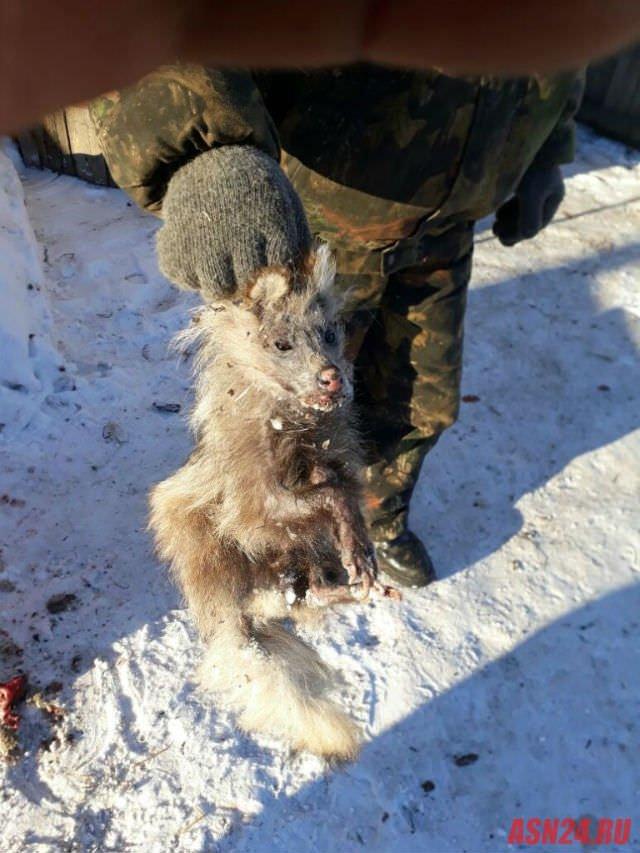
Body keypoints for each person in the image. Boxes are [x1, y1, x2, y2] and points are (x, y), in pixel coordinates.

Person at [89, 63, 584, 586]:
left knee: (423, 403)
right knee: (287, 413)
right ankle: (276, 538)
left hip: (450, 222)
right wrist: (203, 150)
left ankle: (376, 516)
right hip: (321, 214)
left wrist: (548, 144)